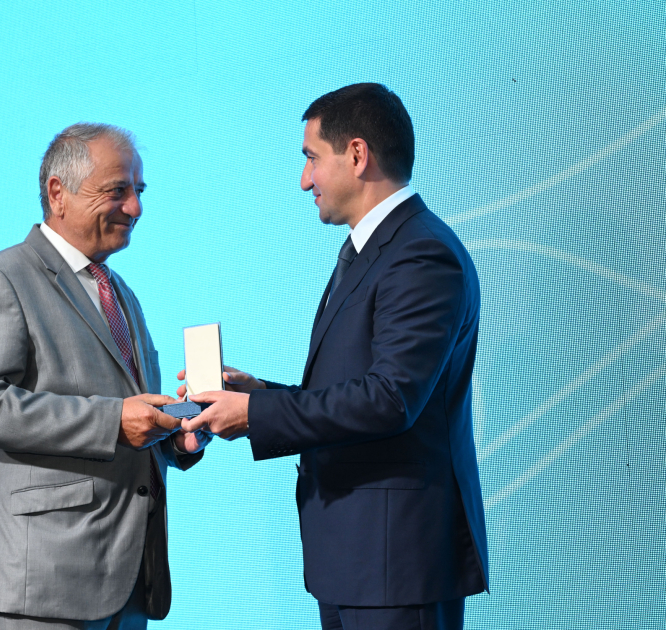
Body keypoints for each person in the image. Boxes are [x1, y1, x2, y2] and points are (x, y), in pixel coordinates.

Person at [180, 83, 489, 630]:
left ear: (357, 154)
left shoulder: (420, 254)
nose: (305, 180)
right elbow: (355, 387)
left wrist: (256, 415)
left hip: (397, 565)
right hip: (357, 561)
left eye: (311, 158)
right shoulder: (373, 250)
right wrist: (260, 396)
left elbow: (390, 398)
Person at [0, 123, 209, 630]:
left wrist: (178, 437)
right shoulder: (1, 278)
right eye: (118, 191)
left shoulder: (120, 293)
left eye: (139, 190)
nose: (136, 207)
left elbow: (133, 417)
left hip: (129, 577)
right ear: (57, 193)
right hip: (44, 581)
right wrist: (113, 422)